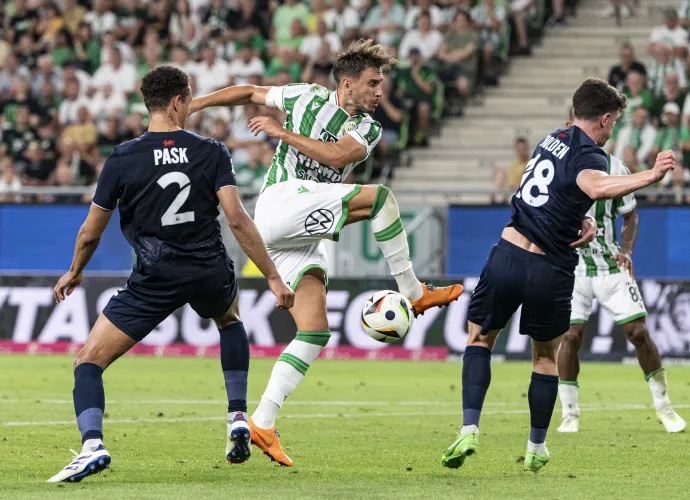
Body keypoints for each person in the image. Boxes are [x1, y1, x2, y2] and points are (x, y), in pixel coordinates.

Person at [191, 39, 464, 466]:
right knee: (380, 198)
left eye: (381, 85)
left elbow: (339, 155)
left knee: (314, 330)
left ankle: (262, 421)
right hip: (281, 202)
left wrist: (282, 132)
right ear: (348, 82)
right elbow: (248, 92)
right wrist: (193, 105)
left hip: (296, 231)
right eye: (373, 83)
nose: (380, 92)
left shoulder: (367, 128)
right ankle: (413, 291)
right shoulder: (304, 96)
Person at [47, 65, 294, 483]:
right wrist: (272, 275)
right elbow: (237, 220)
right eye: (190, 98)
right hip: (208, 268)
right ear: (179, 101)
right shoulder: (212, 150)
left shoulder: (124, 157)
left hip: (154, 275)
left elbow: (91, 231)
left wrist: (75, 271)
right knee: (229, 320)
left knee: (87, 361)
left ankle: (92, 446)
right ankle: (237, 416)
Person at [440, 78, 676, 472]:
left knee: (479, 339)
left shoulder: (552, 138)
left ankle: (469, 427)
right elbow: (595, 186)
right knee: (546, 358)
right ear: (603, 119)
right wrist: (649, 176)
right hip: (551, 268)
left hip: (508, 254)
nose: (613, 128)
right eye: (614, 121)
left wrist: (580, 217)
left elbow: (548, 191)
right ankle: (536, 446)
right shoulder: (593, 156)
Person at [557, 108, 685, 434]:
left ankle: (664, 407)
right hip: (572, 269)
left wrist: (626, 250)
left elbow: (630, 215)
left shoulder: (615, 166)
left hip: (610, 266)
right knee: (570, 336)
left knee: (638, 333)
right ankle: (569, 414)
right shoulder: (558, 165)